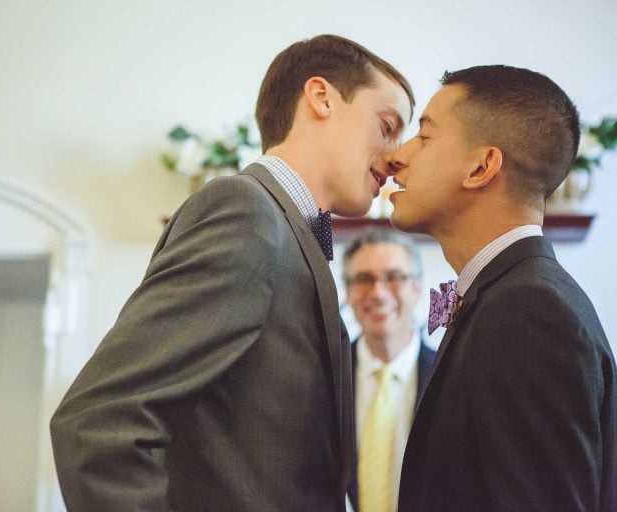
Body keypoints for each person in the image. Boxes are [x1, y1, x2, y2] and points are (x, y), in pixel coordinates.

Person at [50, 34, 414, 512]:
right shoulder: (247, 212)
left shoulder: (287, 229)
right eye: (387, 126)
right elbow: (98, 420)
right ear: (321, 97)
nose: (394, 156)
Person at [388, 65, 617, 511]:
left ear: (482, 166)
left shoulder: (530, 312)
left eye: (425, 136)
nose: (398, 155)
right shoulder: (513, 296)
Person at [341, 227, 435, 512]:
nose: (379, 293)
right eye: (364, 279)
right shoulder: (324, 378)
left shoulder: (454, 376)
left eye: (394, 277)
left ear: (417, 288)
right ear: (348, 291)